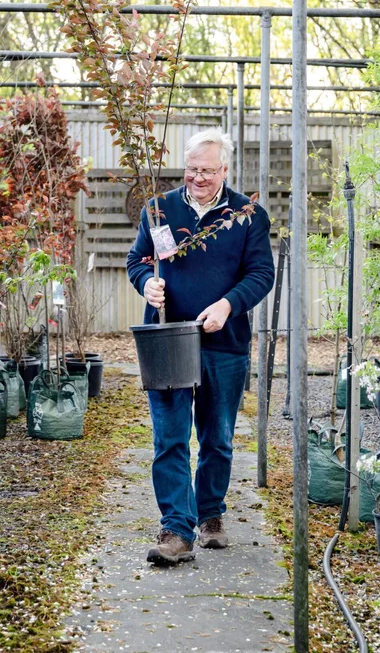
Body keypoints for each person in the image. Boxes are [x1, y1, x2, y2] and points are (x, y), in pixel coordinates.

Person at [126, 128, 275, 565]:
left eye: (207, 171)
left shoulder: (248, 215)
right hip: (168, 338)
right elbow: (137, 260)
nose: (198, 178)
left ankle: (210, 514)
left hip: (223, 341)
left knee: (218, 439)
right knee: (169, 438)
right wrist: (147, 283)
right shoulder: (159, 210)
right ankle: (176, 528)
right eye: (191, 169)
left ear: (225, 170)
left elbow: (261, 274)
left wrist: (228, 305)